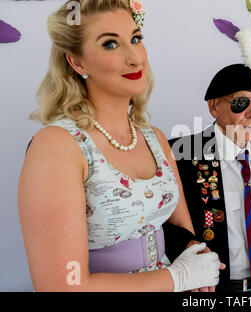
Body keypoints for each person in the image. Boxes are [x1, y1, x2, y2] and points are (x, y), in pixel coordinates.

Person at [17, 0, 223, 292]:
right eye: (110, 45)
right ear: (77, 62)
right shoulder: (57, 146)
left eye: (135, 39)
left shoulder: (155, 138)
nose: (135, 58)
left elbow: (183, 231)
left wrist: (195, 259)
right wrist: (176, 278)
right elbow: (60, 285)